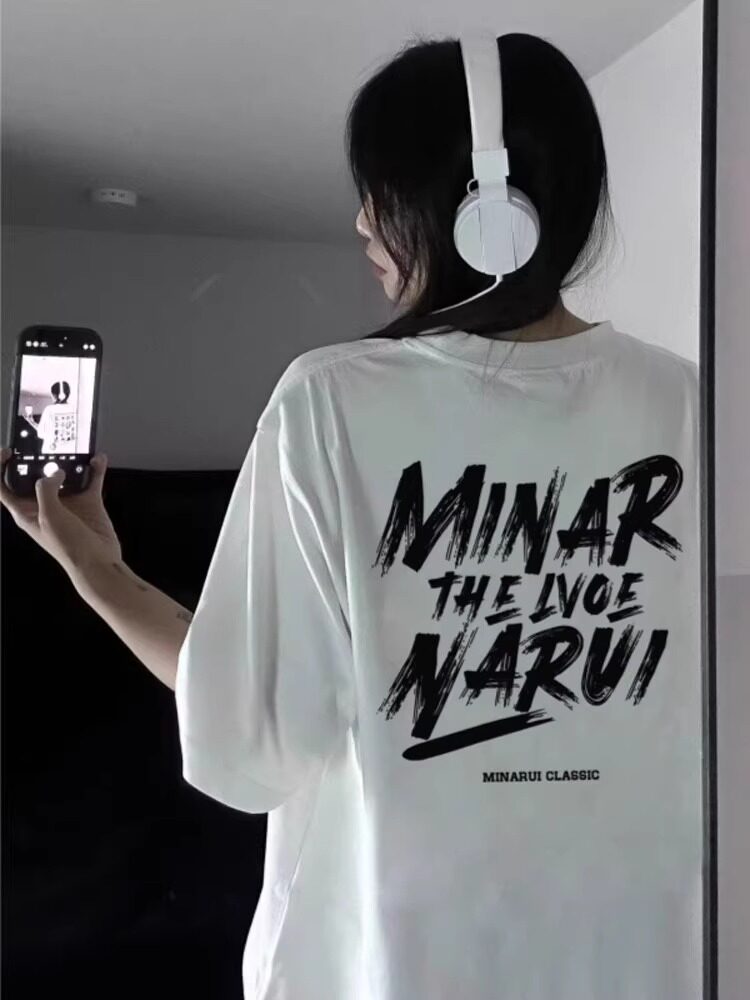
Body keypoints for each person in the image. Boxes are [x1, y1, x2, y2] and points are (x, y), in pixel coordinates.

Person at [0, 32, 701, 1000]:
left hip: (387, 969)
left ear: (485, 212)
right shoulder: (695, 405)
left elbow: (249, 745)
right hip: (645, 962)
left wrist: (98, 569)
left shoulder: (329, 400)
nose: (363, 221)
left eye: (381, 191)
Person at [23, 380, 78, 454]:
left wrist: (31, 422)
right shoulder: (75, 409)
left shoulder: (49, 409)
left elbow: (42, 433)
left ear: (54, 395)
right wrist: (32, 422)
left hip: (51, 452)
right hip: (70, 452)